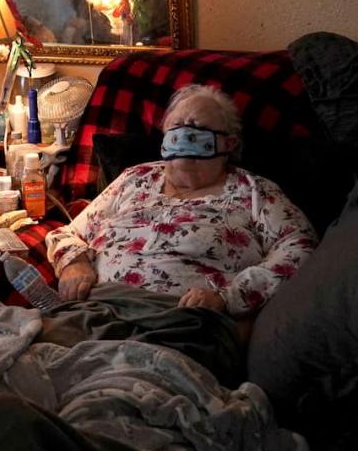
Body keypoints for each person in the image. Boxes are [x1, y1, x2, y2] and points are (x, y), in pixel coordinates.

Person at [47, 85, 316, 319]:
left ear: (229, 143)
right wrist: (74, 262)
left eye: (198, 129)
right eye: (175, 127)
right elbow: (68, 234)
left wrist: (229, 297)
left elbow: (300, 248)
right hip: (99, 306)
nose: (184, 135)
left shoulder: (253, 191)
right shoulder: (134, 178)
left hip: (179, 318)